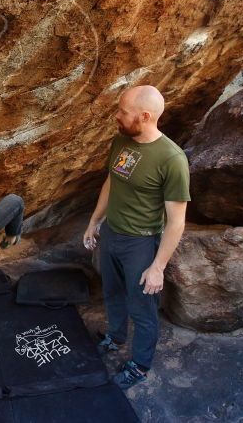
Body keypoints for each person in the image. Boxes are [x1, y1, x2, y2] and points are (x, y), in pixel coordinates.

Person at [83, 85, 190, 389]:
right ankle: (115, 337)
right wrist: (95, 221)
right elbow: (111, 182)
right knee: (112, 292)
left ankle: (140, 364)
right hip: (112, 233)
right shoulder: (122, 141)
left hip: (141, 243)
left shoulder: (172, 159)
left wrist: (158, 266)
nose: (117, 116)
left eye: (123, 112)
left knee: (142, 309)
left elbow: (176, 222)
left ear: (144, 116)